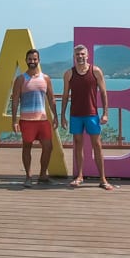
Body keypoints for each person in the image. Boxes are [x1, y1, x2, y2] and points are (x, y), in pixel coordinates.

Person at [61, 44, 113, 190]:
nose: (80, 56)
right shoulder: (69, 74)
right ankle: (79, 176)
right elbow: (65, 96)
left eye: (82, 54)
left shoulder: (96, 71)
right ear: (74, 57)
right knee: (78, 145)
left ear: (87, 55)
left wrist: (105, 113)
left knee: (97, 145)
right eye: (77, 54)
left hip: (92, 114)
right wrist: (63, 115)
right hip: (75, 115)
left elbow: (103, 93)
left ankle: (103, 179)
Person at [11, 48, 59, 187]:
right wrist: (14, 121)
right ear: (26, 61)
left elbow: (51, 99)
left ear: (39, 60)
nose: (32, 61)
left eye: (35, 59)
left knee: (48, 147)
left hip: (42, 120)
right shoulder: (21, 79)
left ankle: (43, 175)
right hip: (26, 121)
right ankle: (28, 176)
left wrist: (55, 116)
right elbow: (15, 101)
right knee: (27, 147)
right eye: (30, 59)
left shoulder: (45, 78)